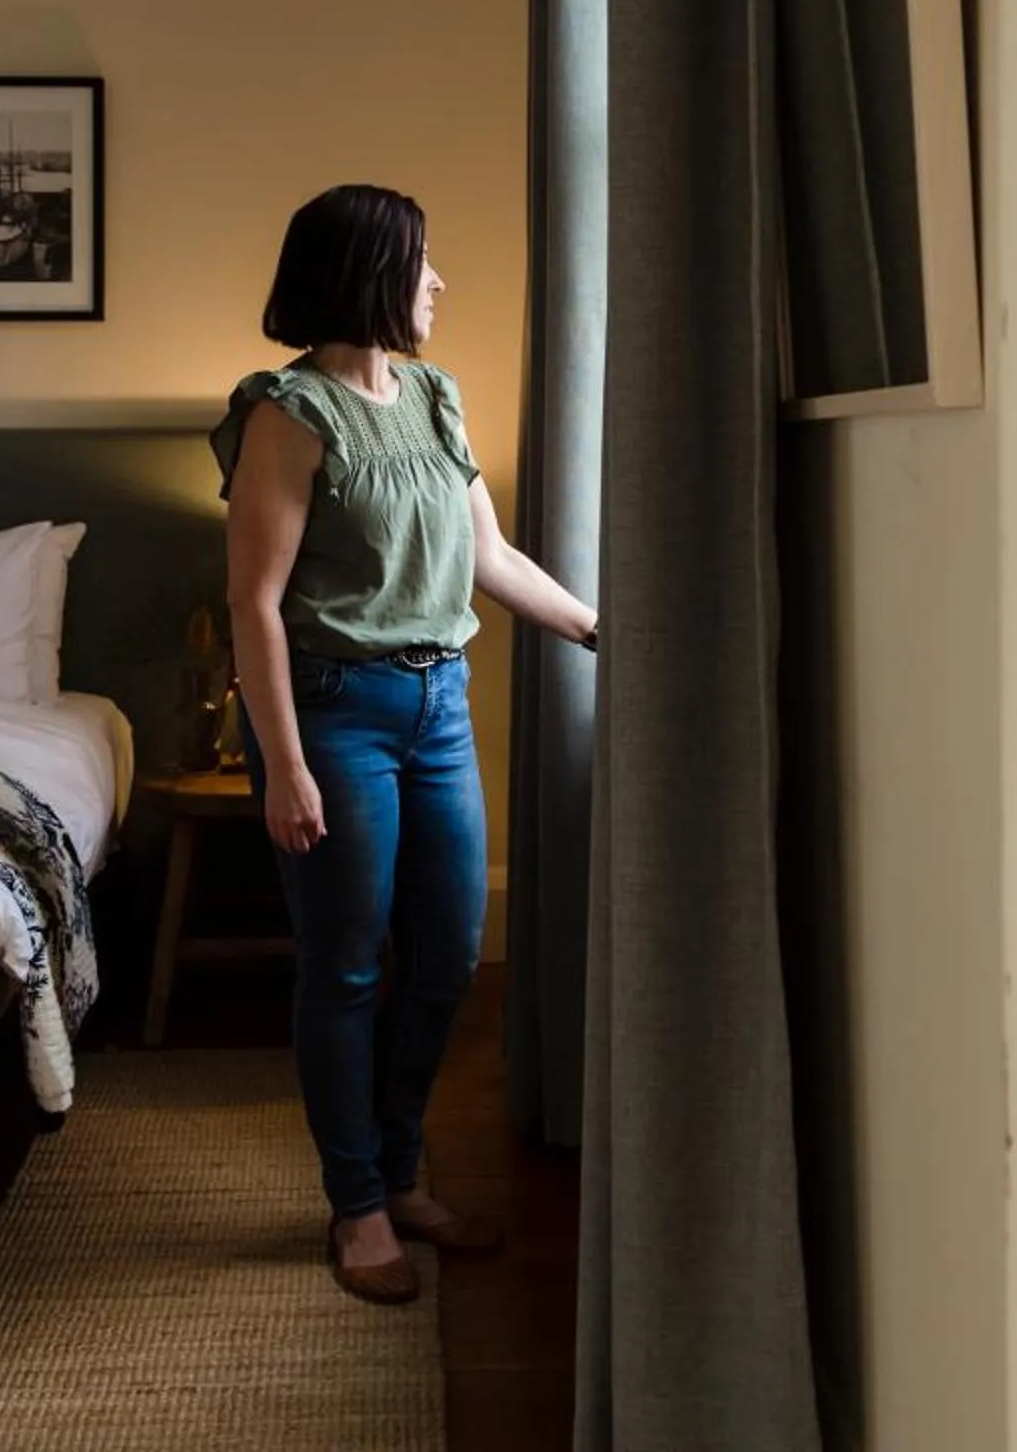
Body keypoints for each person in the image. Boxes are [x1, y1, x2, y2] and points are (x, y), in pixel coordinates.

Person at [212, 183, 598, 1306]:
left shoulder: (436, 395)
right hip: (335, 714)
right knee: (344, 964)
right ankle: (360, 1205)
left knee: (446, 954)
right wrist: (282, 762)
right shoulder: (288, 410)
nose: (438, 282)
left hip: (438, 707)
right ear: (373, 272)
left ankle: (400, 1165)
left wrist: (599, 630)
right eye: (423, 262)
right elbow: (254, 602)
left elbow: (492, 555)